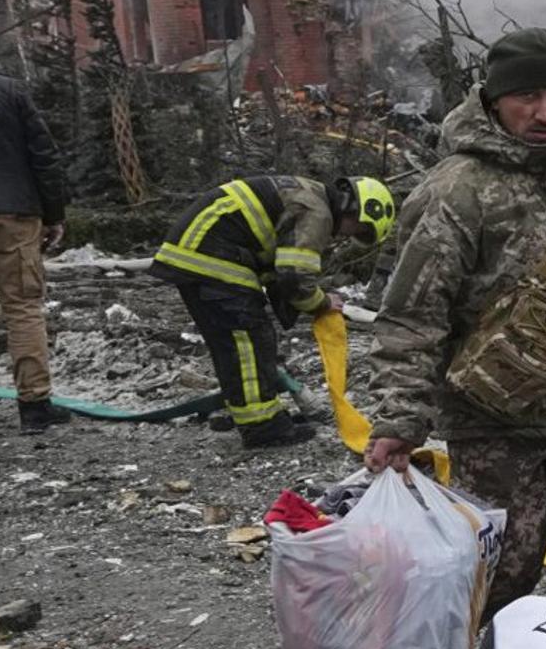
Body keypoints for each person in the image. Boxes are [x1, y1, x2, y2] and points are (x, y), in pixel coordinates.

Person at [366, 27, 546, 613]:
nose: (545, 113)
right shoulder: (457, 189)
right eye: (527, 97)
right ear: (494, 100)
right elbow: (413, 314)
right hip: (495, 424)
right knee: (505, 569)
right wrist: (400, 419)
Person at [153, 173, 394, 450]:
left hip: (202, 251)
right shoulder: (318, 213)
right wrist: (322, 302)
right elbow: (294, 276)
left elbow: (276, 264)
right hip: (212, 256)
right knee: (248, 340)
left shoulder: (309, 195)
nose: (346, 235)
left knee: (238, 342)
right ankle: (262, 427)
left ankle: (255, 414)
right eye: (359, 229)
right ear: (354, 207)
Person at [0, 70, 70, 434]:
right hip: (15, 214)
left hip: (14, 209)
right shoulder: (9, 91)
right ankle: (35, 407)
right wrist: (54, 214)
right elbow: (44, 156)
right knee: (22, 309)